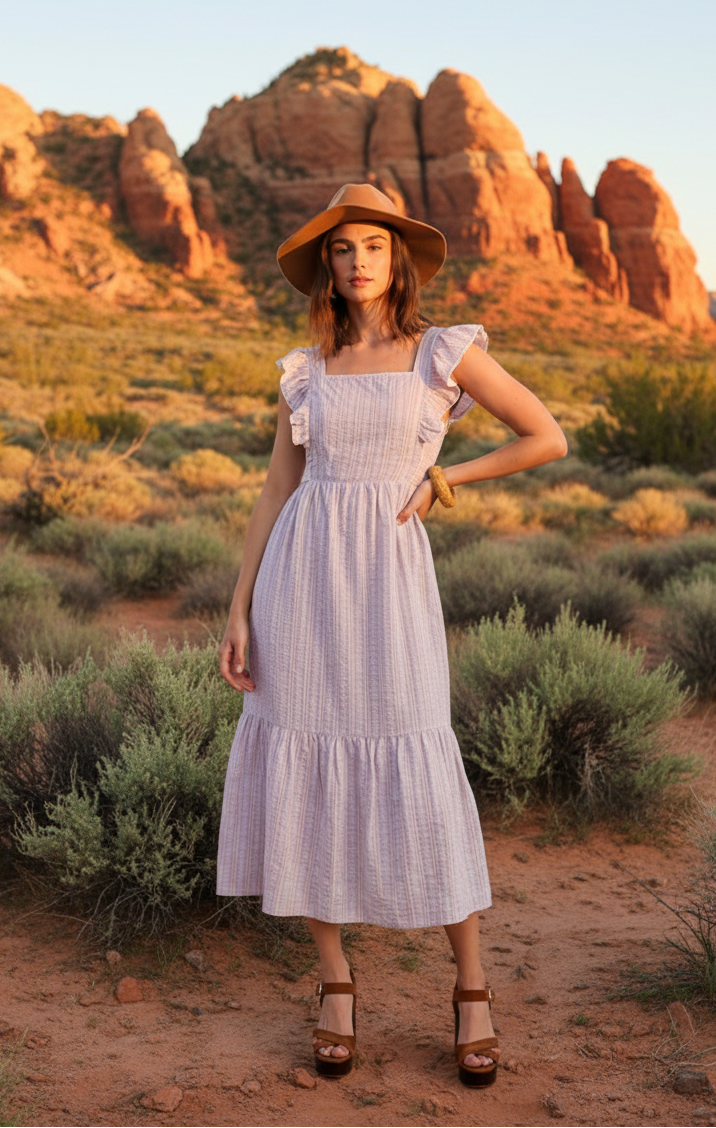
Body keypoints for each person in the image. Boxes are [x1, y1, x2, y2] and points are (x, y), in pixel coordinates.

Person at [217, 183, 567, 1087]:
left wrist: (449, 478)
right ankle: (334, 980)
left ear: (395, 258)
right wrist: (239, 603)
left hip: (392, 583)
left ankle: (471, 984)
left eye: (372, 245)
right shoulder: (309, 368)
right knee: (308, 759)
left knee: (416, 751)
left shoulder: (440, 354)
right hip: (302, 585)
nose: (358, 260)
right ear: (327, 269)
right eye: (342, 249)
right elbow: (276, 490)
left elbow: (544, 436)